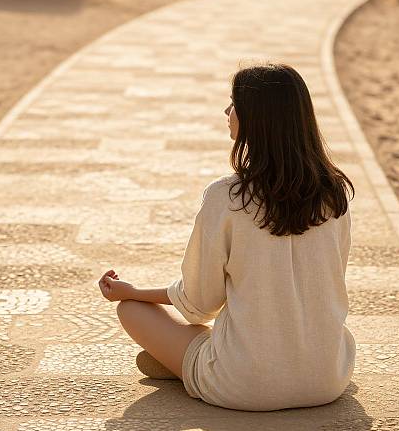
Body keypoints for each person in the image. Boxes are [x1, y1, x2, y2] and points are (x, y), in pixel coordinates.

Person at [98, 62, 356, 412]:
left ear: (256, 119)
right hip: (329, 378)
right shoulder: (333, 191)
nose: (227, 110)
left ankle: (188, 363)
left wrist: (136, 293)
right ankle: (191, 359)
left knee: (132, 311)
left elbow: (200, 302)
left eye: (234, 103)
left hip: (245, 386)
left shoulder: (228, 196)